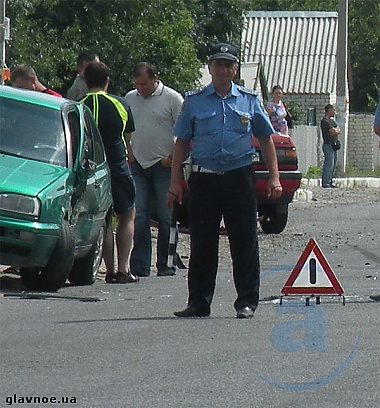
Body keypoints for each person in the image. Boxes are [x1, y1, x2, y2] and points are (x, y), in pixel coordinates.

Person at [166, 43, 282, 319]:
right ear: (210, 68)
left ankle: (246, 301)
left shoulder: (249, 100)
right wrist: (174, 183)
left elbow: (266, 139)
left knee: (244, 241)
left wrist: (274, 178)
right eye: (217, 64)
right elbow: (181, 143)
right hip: (204, 179)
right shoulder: (194, 102)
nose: (222, 69)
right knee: (202, 242)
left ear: (235, 69)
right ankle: (199, 302)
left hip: (238, 176)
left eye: (228, 65)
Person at [125, 62, 184, 277]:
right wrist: (129, 152)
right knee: (139, 215)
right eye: (137, 84)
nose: (140, 88)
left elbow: (184, 133)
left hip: (164, 166)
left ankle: (166, 263)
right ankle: (139, 265)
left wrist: (173, 158)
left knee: (166, 216)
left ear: (154, 78)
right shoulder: (130, 99)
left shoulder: (172, 99)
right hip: (138, 165)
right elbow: (126, 129)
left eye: (144, 84)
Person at [82, 61, 138, 284]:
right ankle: (124, 269)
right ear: (107, 81)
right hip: (116, 164)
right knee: (127, 216)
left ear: (85, 81)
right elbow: (128, 138)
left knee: (104, 218)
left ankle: (109, 269)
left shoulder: (79, 105)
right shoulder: (120, 103)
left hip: (91, 168)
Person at [320, 104, 341, 188]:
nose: (334, 112)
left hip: (334, 145)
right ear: (329, 110)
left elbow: (338, 130)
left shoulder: (332, 121)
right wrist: (335, 130)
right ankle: (326, 182)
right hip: (328, 145)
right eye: (333, 110)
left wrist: (335, 130)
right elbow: (332, 131)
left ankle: (330, 181)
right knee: (328, 164)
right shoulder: (325, 121)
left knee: (333, 164)